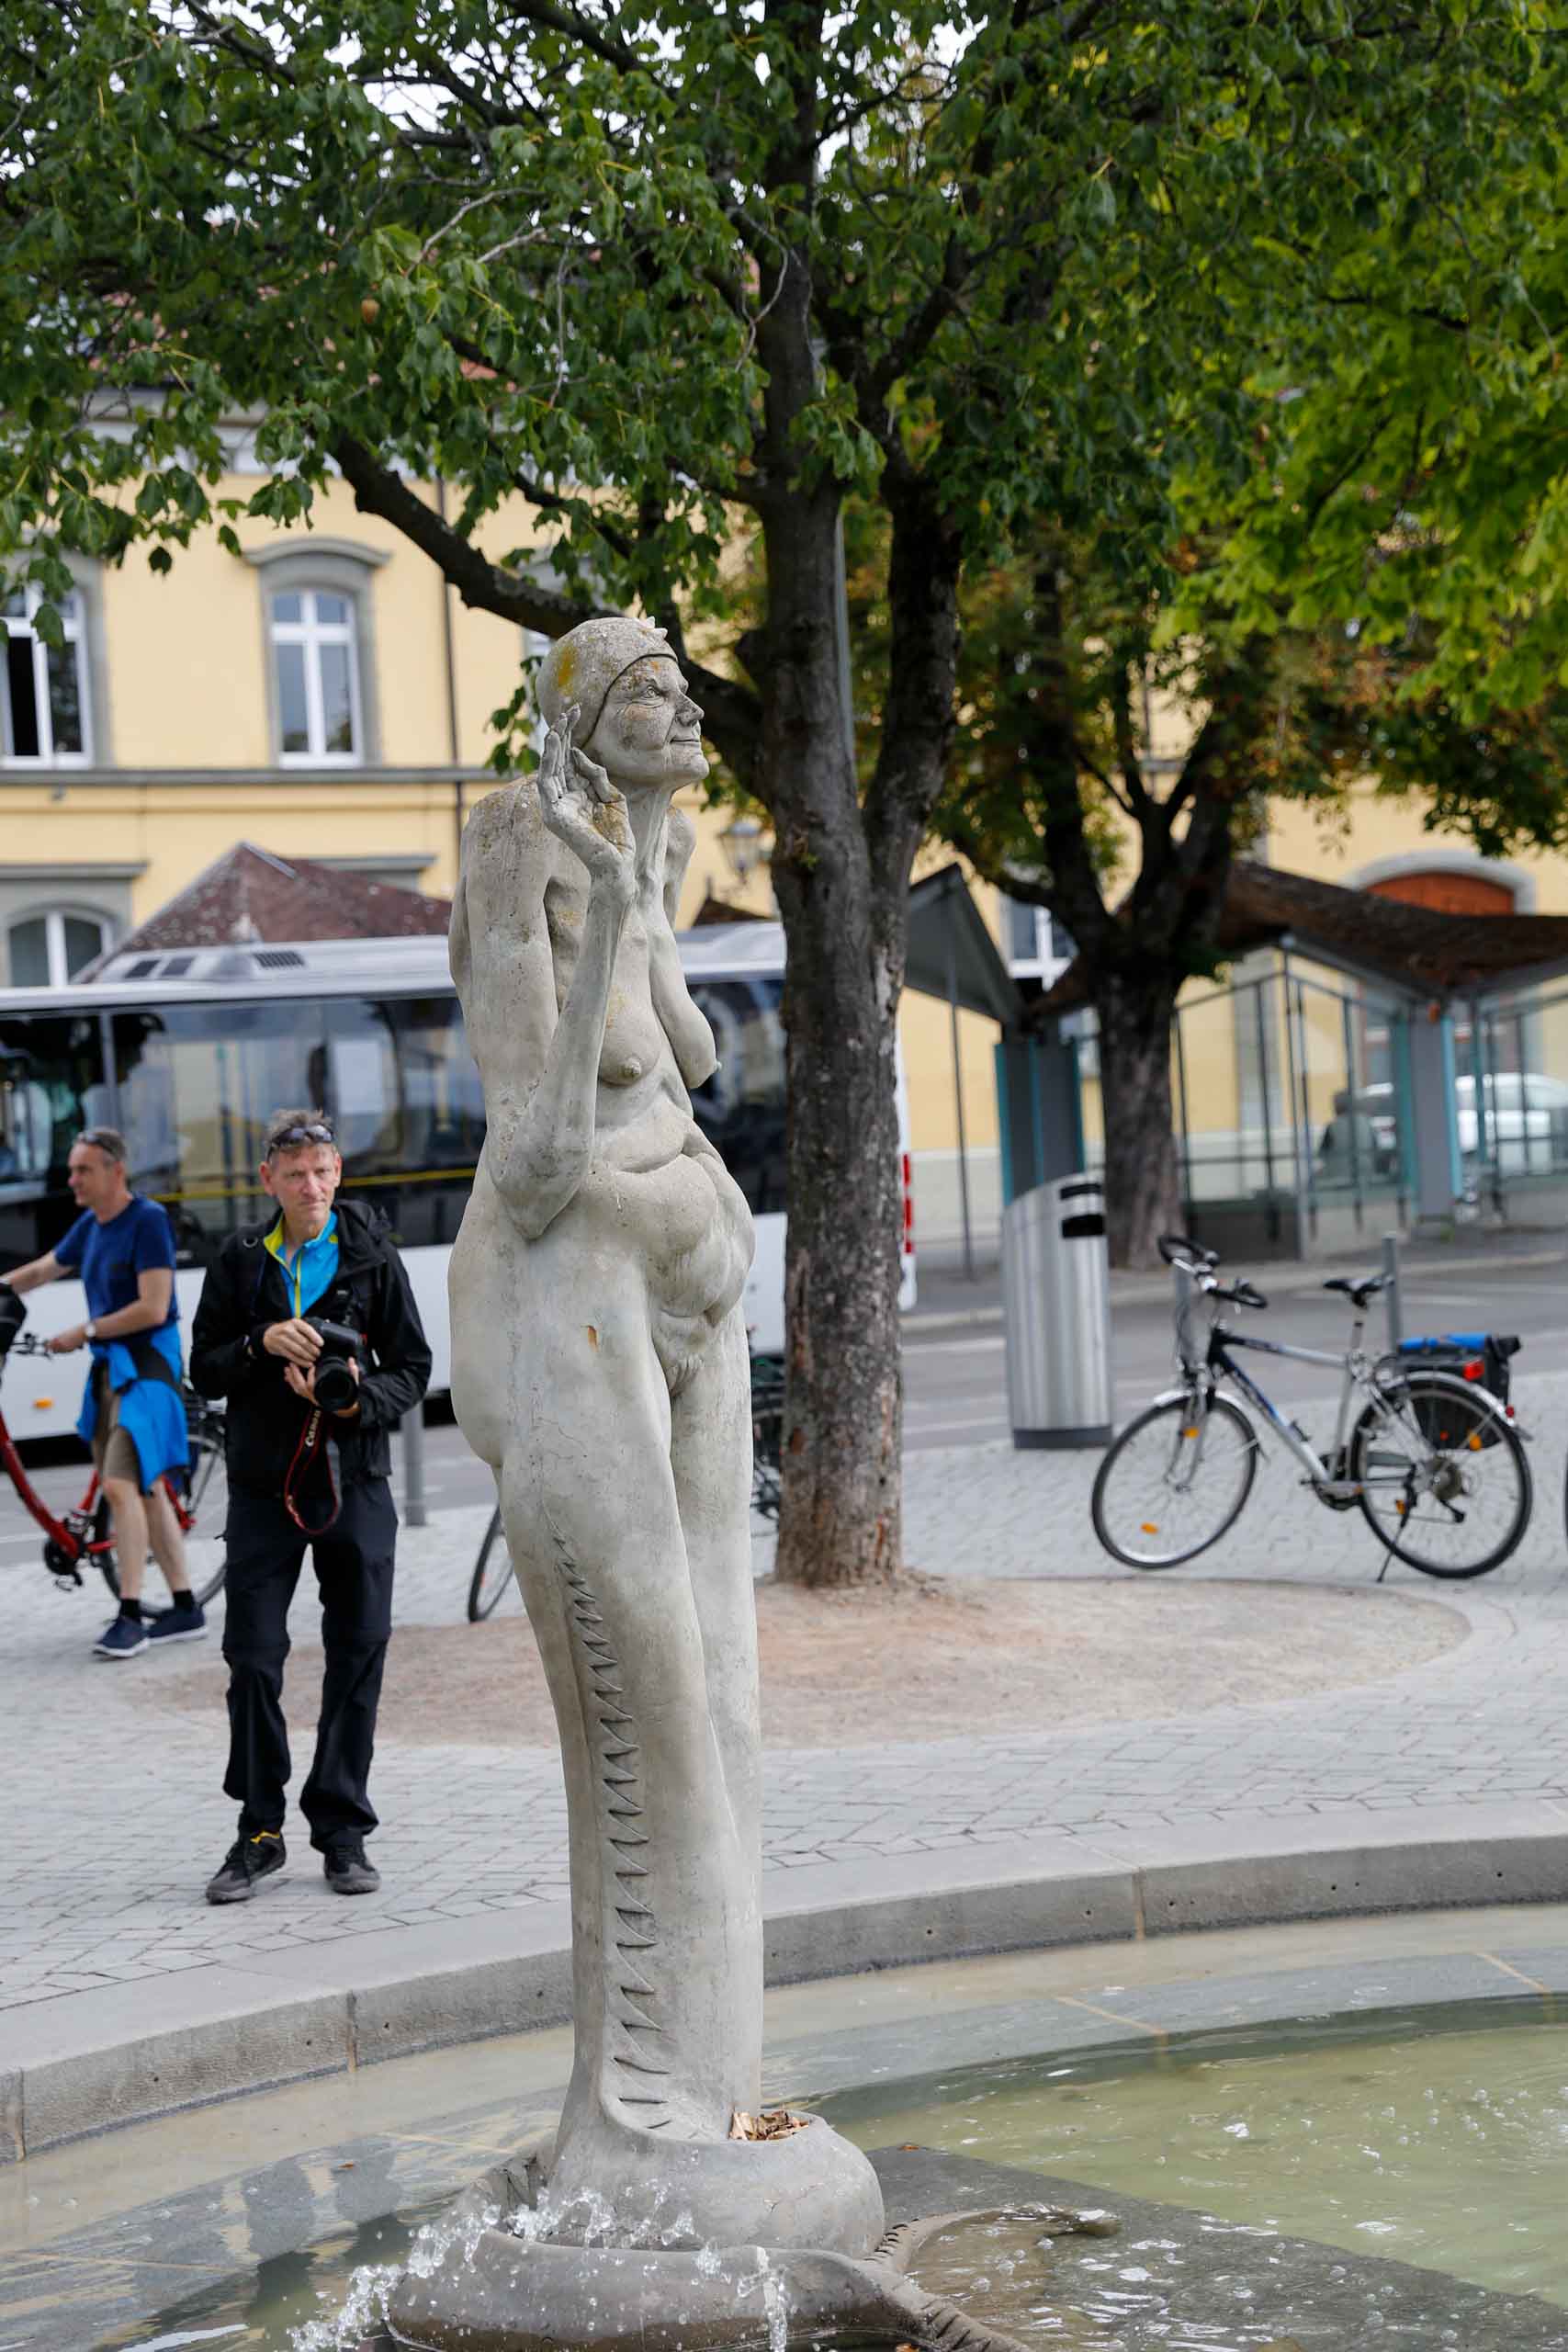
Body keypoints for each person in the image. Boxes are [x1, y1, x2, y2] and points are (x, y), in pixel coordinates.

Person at [447, 617, 763, 2222]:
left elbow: (693, 1056)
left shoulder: (654, 848)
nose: (685, 705)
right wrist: (596, 913)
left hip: (694, 1267)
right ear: (580, 715)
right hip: (571, 1290)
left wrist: (647, 907)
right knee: (652, 1714)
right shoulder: (516, 840)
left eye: (682, 684)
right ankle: (630, 2125)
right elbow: (536, 1157)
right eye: (649, 689)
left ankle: (721, 2097)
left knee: (731, 1703)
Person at [189, 1110, 431, 1905]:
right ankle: (258, 1831)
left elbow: (414, 1369)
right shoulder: (237, 1261)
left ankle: (342, 1830)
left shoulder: (370, 1259)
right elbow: (205, 1371)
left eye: (323, 1171)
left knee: (358, 1652)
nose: (312, 1186)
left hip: (353, 1484)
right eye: (295, 1174)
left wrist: (360, 1402)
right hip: (264, 1493)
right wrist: (261, 1344)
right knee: (252, 1659)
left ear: (338, 1174)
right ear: (269, 1180)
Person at [1, 1126, 195, 1658]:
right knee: (146, 1489)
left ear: (116, 1172)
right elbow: (45, 1268)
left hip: (150, 1370)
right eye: (72, 1170)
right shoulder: (92, 1223)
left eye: (83, 1170)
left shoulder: (147, 1221)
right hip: (112, 1371)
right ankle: (185, 1606)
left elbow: (154, 1307)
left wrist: (85, 1331)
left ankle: (130, 1616)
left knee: (118, 1485)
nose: (72, 1180)